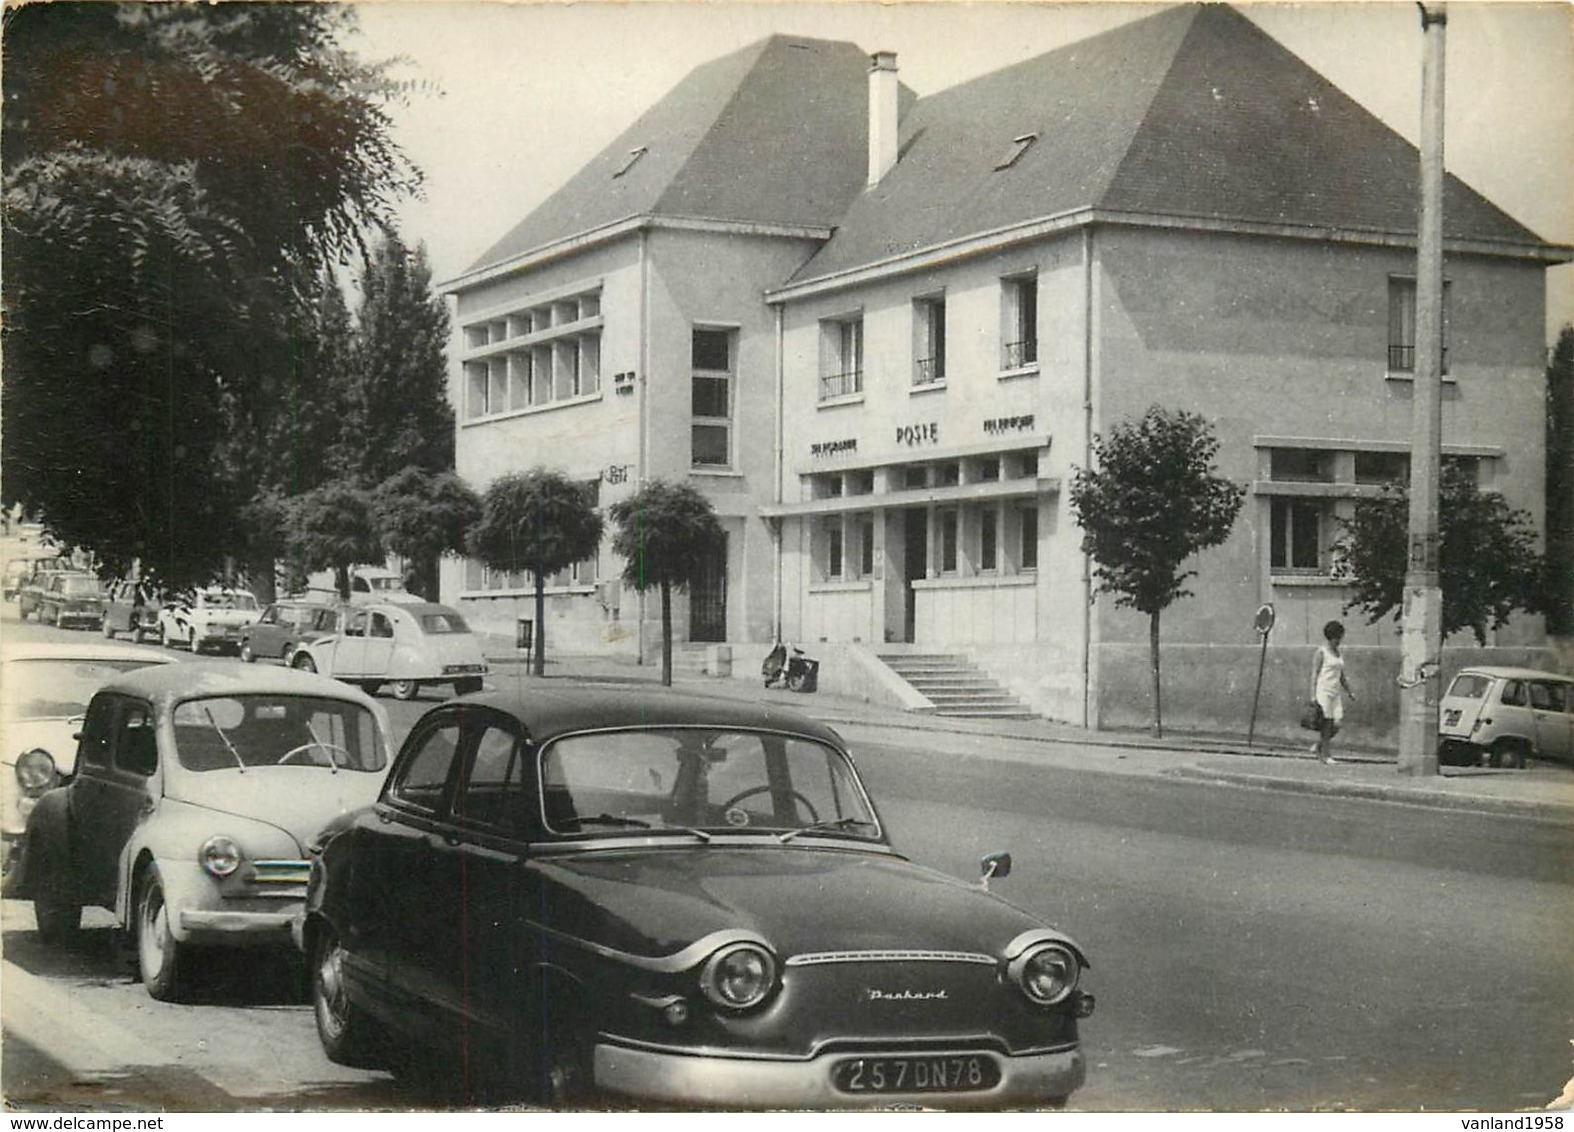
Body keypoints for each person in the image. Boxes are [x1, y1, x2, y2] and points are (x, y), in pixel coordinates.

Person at [1310, 620, 1356, 763]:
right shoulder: (1321, 652)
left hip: (1335, 692)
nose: (1339, 641)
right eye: (1337, 638)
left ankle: (1319, 746)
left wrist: (1349, 691)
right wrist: (1312, 695)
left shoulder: (1338, 653)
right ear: (1330, 637)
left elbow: (1341, 675)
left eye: (1340, 637)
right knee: (1327, 723)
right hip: (1323, 691)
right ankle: (1326, 756)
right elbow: (1314, 674)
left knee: (1337, 723)